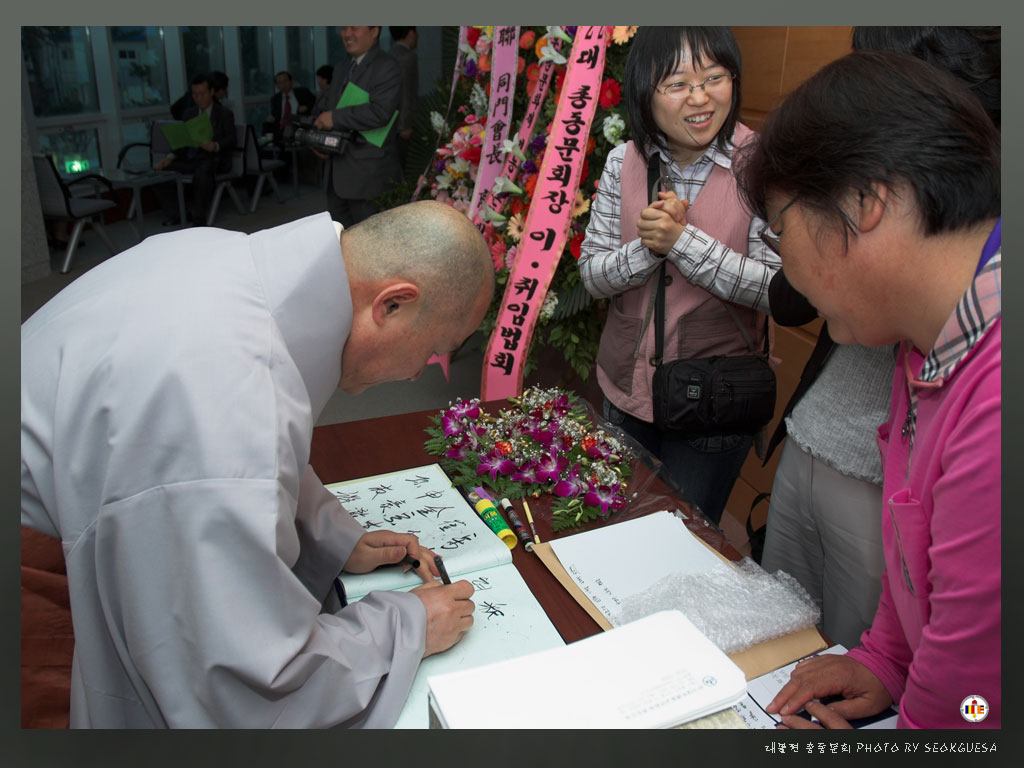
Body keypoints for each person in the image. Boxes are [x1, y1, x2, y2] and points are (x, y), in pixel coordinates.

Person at [20, 200, 495, 728]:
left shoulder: (220, 254)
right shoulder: (227, 398)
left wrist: (328, 537)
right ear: (392, 305)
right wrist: (408, 626)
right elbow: (240, 678)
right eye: (433, 351)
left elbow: (246, 457)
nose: (415, 377)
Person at [736, 51, 1001, 729]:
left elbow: (970, 714)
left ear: (864, 199)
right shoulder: (923, 340)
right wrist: (886, 657)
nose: (785, 267)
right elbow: (918, 557)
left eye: (779, 228)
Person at [578, 27, 780, 526]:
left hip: (713, 404)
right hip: (626, 390)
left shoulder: (762, 166)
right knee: (615, 525)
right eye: (677, 83)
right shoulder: (623, 161)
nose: (700, 97)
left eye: (714, 77)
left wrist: (683, 244)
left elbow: (777, 289)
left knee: (687, 539)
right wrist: (649, 251)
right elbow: (592, 275)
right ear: (646, 90)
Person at [314, 26, 403, 228]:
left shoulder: (386, 66)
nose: (347, 34)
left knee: (371, 245)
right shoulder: (341, 67)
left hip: (368, 177)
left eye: (354, 27)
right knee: (342, 241)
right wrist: (321, 140)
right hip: (336, 174)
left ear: (375, 31)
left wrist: (334, 118)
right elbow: (330, 110)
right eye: (344, 28)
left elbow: (380, 112)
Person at [154, 73, 237, 226]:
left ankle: (199, 218)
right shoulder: (189, 113)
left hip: (213, 160)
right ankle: (178, 213)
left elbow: (232, 140)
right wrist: (169, 158)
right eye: (195, 94)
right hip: (191, 158)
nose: (198, 98)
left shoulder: (224, 114)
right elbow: (181, 142)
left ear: (211, 92)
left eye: (202, 94)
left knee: (203, 172)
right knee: (160, 173)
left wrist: (215, 145)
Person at [388, 26, 419, 168]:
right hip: (401, 124)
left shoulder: (389, 54)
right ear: (411, 33)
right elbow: (406, 91)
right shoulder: (407, 56)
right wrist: (404, 125)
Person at [264, 70, 316, 145]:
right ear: (277, 86)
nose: (283, 84)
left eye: (285, 81)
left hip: (298, 127)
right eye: (280, 83)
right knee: (267, 126)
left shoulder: (302, 92)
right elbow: (275, 115)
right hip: (281, 128)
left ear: (291, 82)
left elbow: (315, 103)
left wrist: (307, 107)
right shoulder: (275, 99)